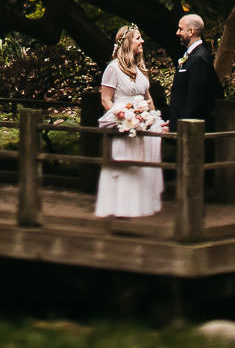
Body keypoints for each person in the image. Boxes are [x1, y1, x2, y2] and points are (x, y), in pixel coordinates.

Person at [94, 25, 164, 218]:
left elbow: (148, 98)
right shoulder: (113, 68)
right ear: (127, 42)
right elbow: (105, 100)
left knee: (140, 162)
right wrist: (122, 115)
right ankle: (118, 207)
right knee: (123, 162)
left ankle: (138, 206)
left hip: (141, 120)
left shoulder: (141, 68)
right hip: (122, 120)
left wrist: (154, 118)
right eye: (138, 38)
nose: (142, 41)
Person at [167, 12, 220, 126]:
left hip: (191, 129)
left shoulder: (199, 58)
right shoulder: (191, 55)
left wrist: (180, 126)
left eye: (180, 29)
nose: (177, 33)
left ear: (191, 32)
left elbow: (194, 98)